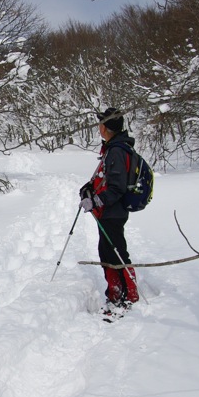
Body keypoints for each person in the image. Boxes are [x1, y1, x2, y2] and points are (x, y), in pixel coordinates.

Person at [79, 107, 140, 314]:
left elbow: (117, 187)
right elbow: (106, 178)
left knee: (117, 253)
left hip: (113, 211)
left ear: (106, 127)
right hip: (109, 211)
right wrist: (89, 188)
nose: (99, 127)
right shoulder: (113, 148)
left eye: (101, 124)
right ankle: (115, 293)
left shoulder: (116, 150)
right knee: (107, 251)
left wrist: (95, 201)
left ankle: (128, 295)